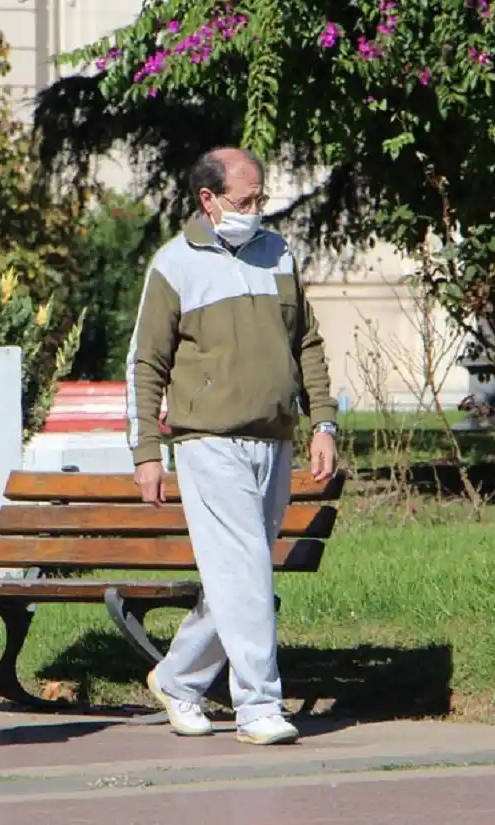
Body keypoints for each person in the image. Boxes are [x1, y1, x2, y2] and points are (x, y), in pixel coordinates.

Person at [126, 147, 338, 746]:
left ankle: (177, 678)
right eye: (243, 201)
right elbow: (146, 363)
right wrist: (146, 451)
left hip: (273, 440)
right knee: (243, 571)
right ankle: (258, 705)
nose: (254, 210)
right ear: (208, 200)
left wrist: (324, 422)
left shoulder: (278, 253)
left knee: (237, 576)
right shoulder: (174, 265)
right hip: (208, 442)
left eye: (259, 199)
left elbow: (309, 344)